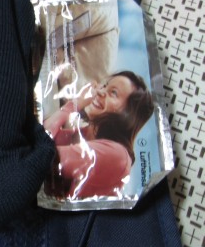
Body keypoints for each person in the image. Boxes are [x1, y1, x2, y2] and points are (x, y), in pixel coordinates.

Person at [43, 71, 155, 200]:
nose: (100, 92)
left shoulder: (118, 155)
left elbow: (41, 157)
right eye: (105, 86)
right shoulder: (83, 134)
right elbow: (40, 137)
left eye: (113, 93)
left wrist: (75, 104)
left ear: (128, 116)